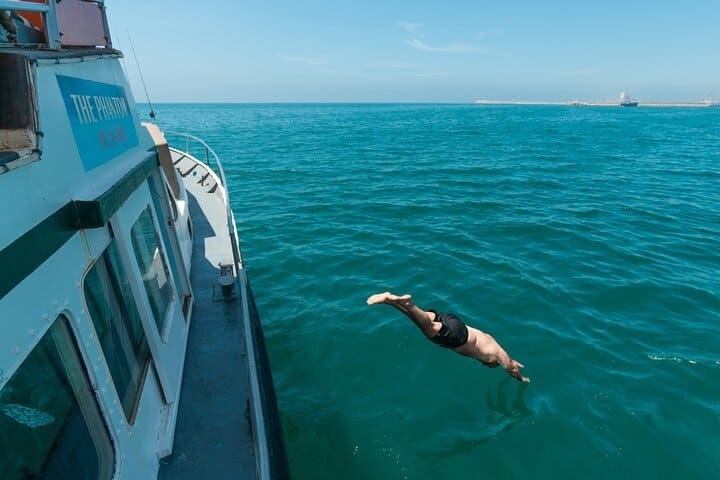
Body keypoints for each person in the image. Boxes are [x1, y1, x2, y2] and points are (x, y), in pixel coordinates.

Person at [367, 292, 530, 383]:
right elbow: (511, 368)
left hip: (454, 321)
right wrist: (521, 379)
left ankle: (392, 302)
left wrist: (511, 361)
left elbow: (510, 362)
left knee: (426, 321)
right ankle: (408, 304)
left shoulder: (495, 346)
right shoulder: (497, 355)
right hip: (460, 336)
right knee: (429, 330)